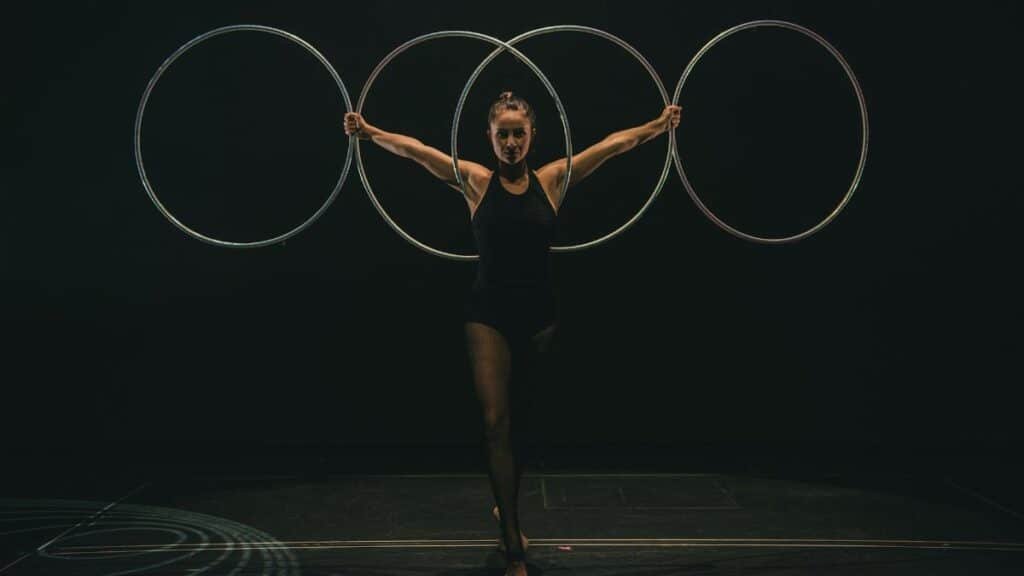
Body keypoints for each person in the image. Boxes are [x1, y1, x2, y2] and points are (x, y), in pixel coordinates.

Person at [345, 92, 681, 576]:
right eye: (502, 133)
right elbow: (417, 151)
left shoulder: (554, 179)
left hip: (540, 314)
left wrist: (658, 124)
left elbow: (613, 145)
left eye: (517, 133)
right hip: (487, 314)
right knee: (495, 422)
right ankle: (513, 548)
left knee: (522, 427)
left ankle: (506, 506)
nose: (510, 142)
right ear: (489, 137)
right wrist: (369, 132)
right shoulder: (476, 182)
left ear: (531, 136)